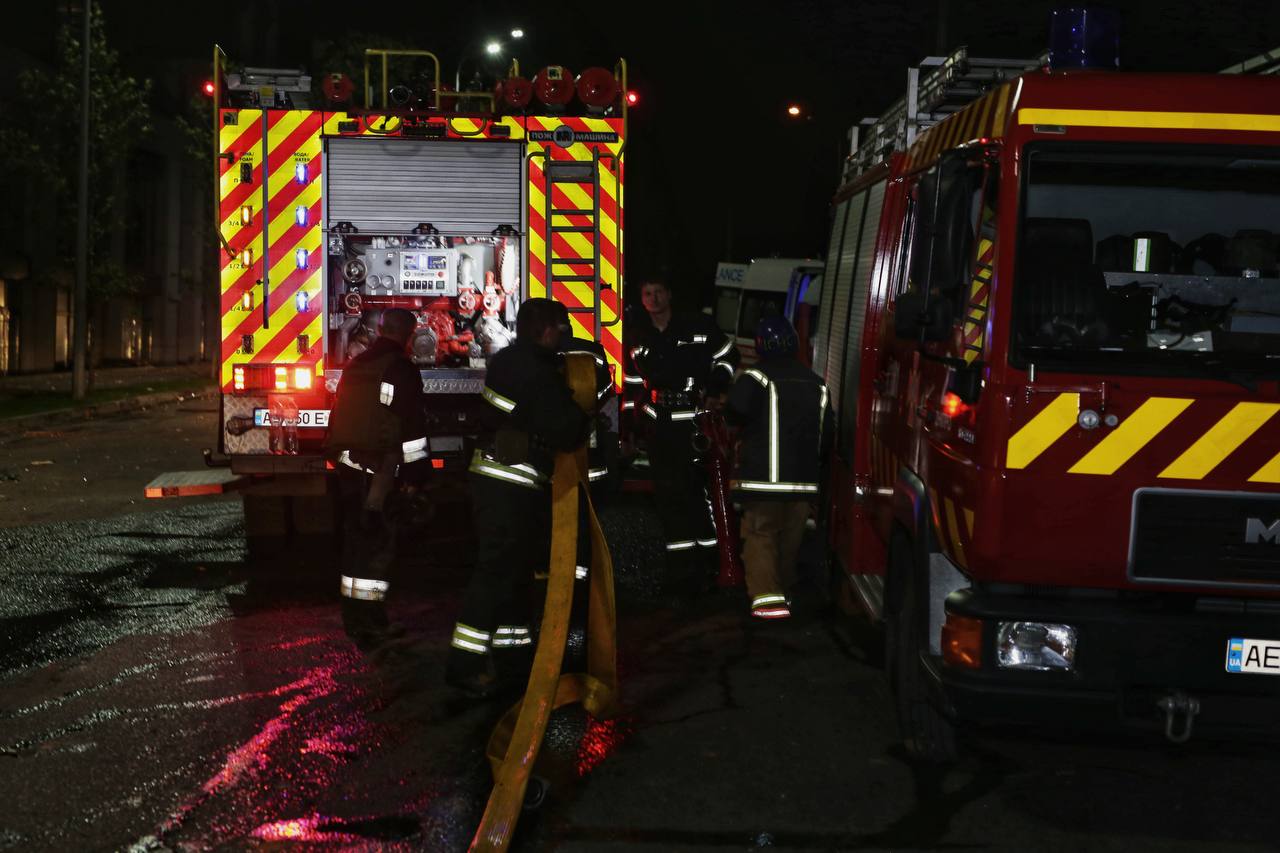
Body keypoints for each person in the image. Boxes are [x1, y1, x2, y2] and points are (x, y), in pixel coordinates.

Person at [446, 298, 591, 698]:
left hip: (501, 481)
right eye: (561, 329)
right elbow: (567, 429)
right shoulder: (537, 371)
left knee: (513, 573)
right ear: (547, 330)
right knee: (497, 572)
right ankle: (464, 664)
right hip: (510, 483)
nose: (564, 337)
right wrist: (587, 412)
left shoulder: (509, 361)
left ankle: (513, 659)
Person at [323, 308, 431, 649]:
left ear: (379, 330)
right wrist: (416, 473)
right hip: (377, 473)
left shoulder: (357, 364)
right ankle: (372, 623)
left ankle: (355, 619)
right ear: (409, 336)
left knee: (356, 544)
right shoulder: (401, 368)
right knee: (376, 548)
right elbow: (410, 426)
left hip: (349, 467)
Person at [624, 276, 739, 589]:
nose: (654, 298)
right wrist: (631, 427)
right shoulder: (637, 336)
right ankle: (681, 568)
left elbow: (729, 357)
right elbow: (632, 384)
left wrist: (716, 386)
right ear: (642, 300)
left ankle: (710, 563)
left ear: (669, 294)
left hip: (694, 424)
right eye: (648, 293)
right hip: (660, 426)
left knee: (696, 492)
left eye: (659, 291)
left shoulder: (697, 326)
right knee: (668, 495)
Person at [725, 315, 832, 620]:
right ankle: (783, 594)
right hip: (802, 485)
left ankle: (767, 603)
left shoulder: (755, 378)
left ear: (761, 345)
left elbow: (734, 412)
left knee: (761, 537)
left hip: (763, 482)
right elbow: (827, 436)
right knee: (789, 541)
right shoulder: (818, 384)